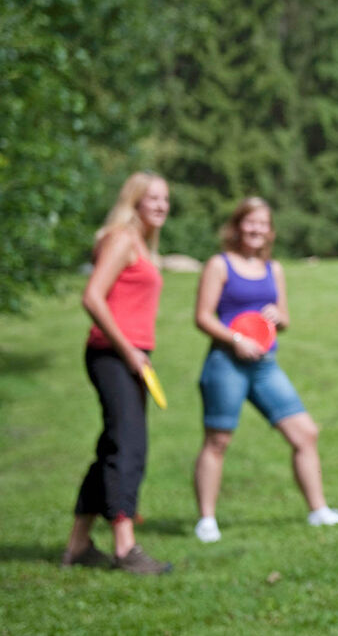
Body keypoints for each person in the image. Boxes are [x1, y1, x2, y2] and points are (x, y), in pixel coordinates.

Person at [192, 197, 338, 543]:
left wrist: (279, 319)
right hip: (226, 364)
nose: (256, 229)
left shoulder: (274, 269)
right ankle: (206, 520)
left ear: (270, 231)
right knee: (218, 441)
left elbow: (284, 317)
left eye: (263, 224)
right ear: (237, 226)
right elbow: (203, 317)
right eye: (249, 222)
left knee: (305, 433)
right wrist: (236, 338)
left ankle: (319, 511)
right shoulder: (219, 265)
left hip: (265, 365)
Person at [63, 171, 173, 575]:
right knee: (129, 447)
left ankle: (77, 546)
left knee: (113, 445)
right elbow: (91, 296)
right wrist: (129, 351)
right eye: (154, 198)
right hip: (112, 354)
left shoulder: (140, 243)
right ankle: (125, 548)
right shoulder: (121, 239)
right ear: (135, 201)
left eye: (165, 199)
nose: (162, 205)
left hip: (130, 356)